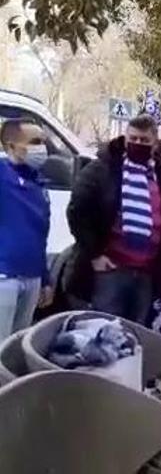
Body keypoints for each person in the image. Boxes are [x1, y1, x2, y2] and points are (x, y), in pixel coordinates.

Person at [67, 116, 161, 324]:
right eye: (133, 138)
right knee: (104, 329)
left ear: (155, 142)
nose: (138, 144)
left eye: (144, 140)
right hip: (111, 269)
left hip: (147, 272)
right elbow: (77, 211)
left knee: (137, 332)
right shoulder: (103, 169)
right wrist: (95, 254)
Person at [0, 118, 52, 340]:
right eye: (34, 141)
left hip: (32, 278)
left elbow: (41, 236)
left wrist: (45, 280)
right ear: (11, 146)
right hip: (5, 277)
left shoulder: (39, 185)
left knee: (16, 348)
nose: (41, 148)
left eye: (42, 141)